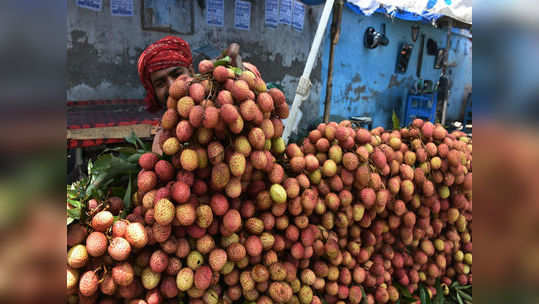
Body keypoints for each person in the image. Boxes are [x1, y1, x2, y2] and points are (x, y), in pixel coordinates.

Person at [137, 36, 250, 154]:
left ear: (191, 71)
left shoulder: (218, 98)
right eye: (160, 83)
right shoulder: (163, 140)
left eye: (176, 74)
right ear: (153, 91)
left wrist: (235, 70)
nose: (172, 86)